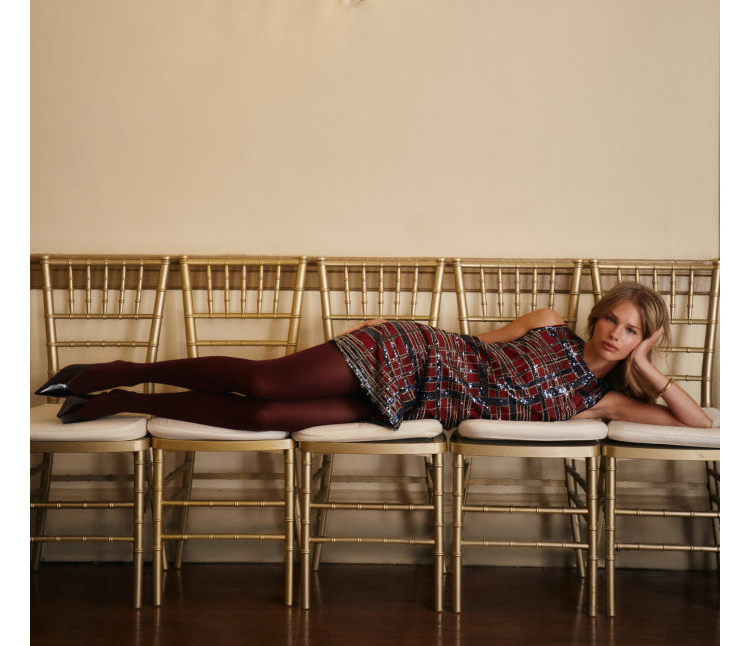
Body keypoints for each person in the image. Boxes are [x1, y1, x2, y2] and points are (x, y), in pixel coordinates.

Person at [35, 282, 712, 431]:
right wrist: (388, 331)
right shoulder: (549, 325)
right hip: (411, 355)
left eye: (631, 332)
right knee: (264, 378)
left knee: (273, 414)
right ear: (594, 318)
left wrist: (651, 369)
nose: (613, 334)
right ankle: (125, 373)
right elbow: (477, 348)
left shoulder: (608, 398)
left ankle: (126, 402)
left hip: (418, 405)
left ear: (641, 343)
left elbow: (699, 427)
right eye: (612, 320)